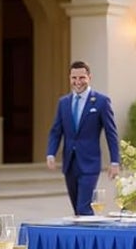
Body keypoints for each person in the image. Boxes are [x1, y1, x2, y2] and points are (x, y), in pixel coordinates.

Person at [45, 60, 120, 215]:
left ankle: (94, 236)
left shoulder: (101, 101)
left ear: (89, 77)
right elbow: (56, 131)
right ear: (70, 78)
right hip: (70, 164)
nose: (78, 82)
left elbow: (111, 133)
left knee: (83, 207)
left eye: (82, 78)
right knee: (77, 210)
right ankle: (84, 238)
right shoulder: (63, 103)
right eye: (74, 78)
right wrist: (51, 153)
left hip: (90, 164)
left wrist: (115, 161)